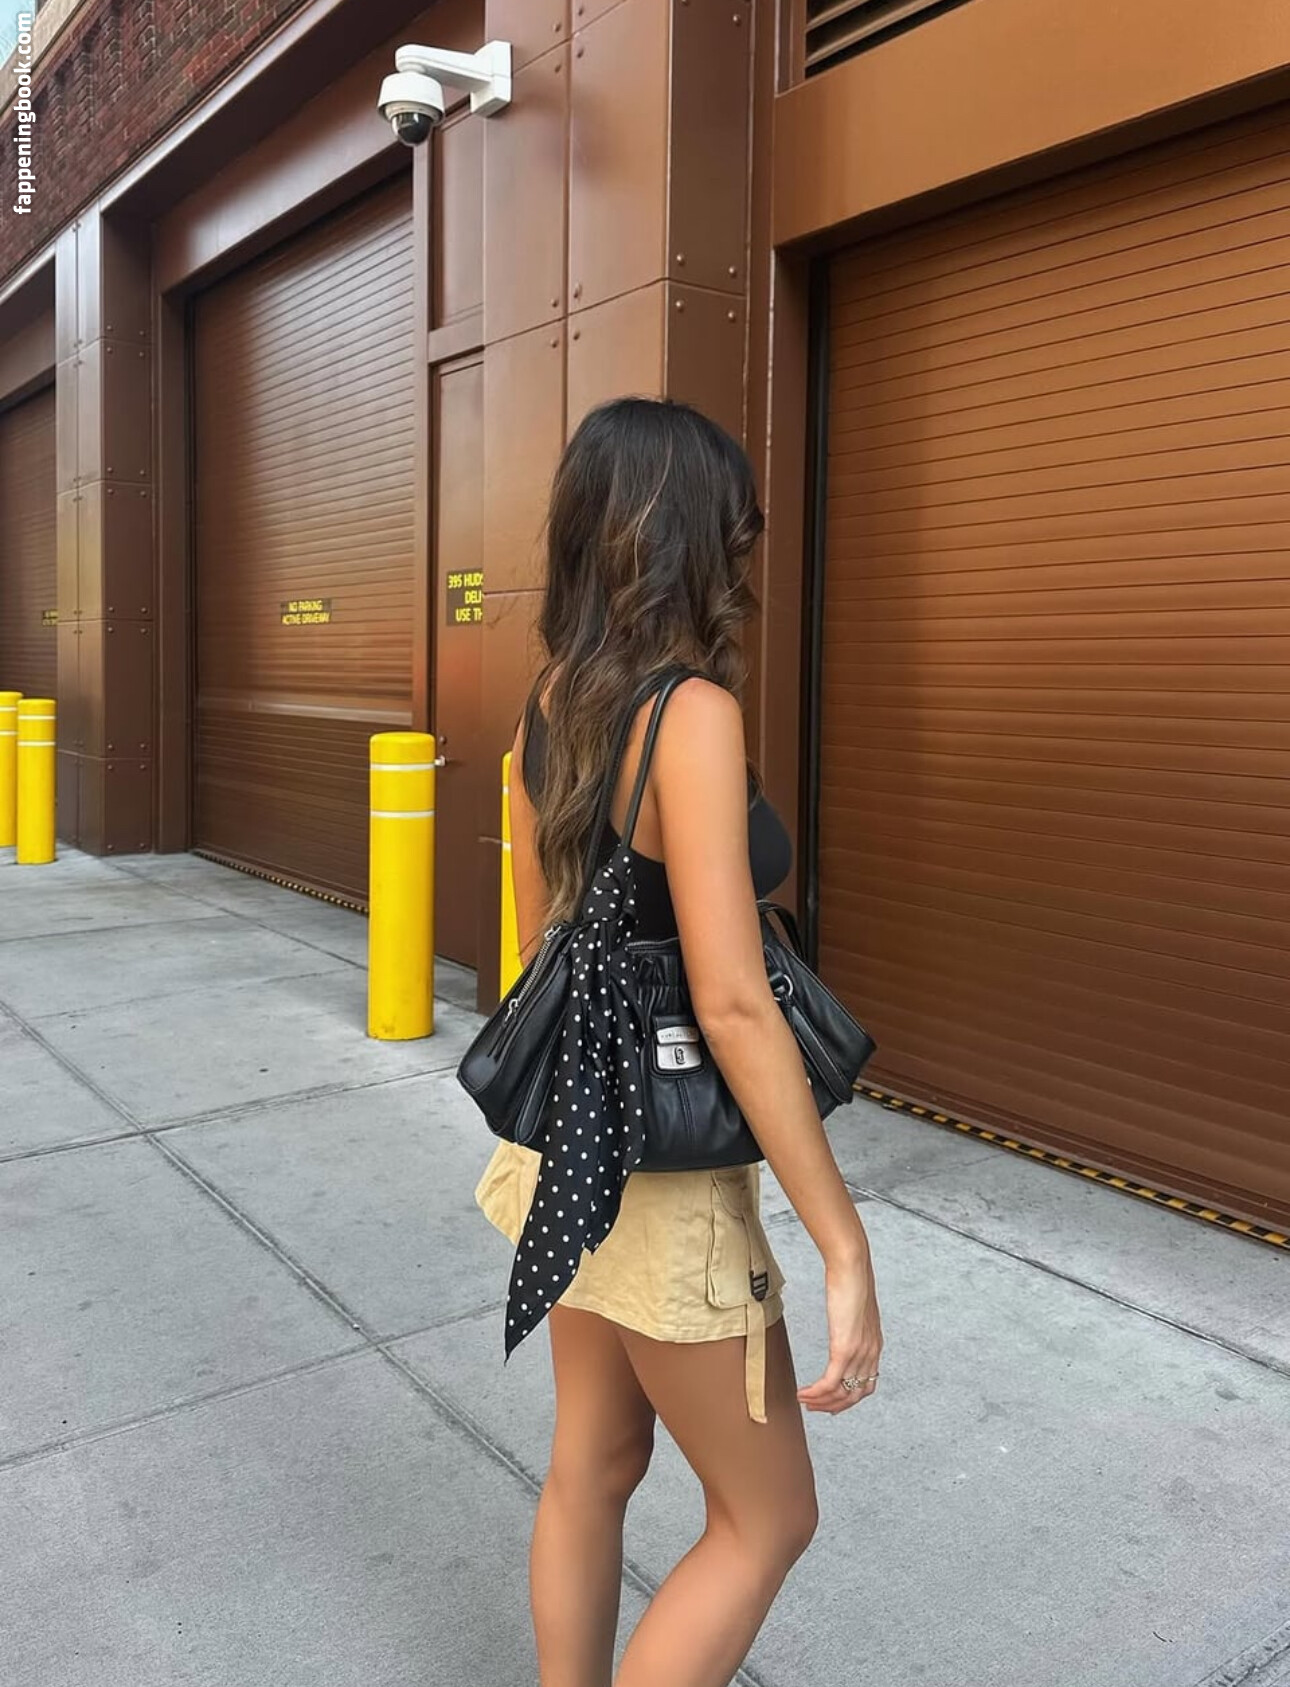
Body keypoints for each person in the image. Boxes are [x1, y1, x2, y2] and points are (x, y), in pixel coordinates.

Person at [473, 396, 884, 1687]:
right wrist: (843, 1244)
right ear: (687, 539)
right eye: (737, 530)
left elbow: (545, 941)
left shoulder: (549, 703)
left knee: (591, 1465)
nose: (746, 555)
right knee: (768, 1520)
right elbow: (733, 1003)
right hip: (657, 1176)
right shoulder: (688, 714)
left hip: (571, 1145)